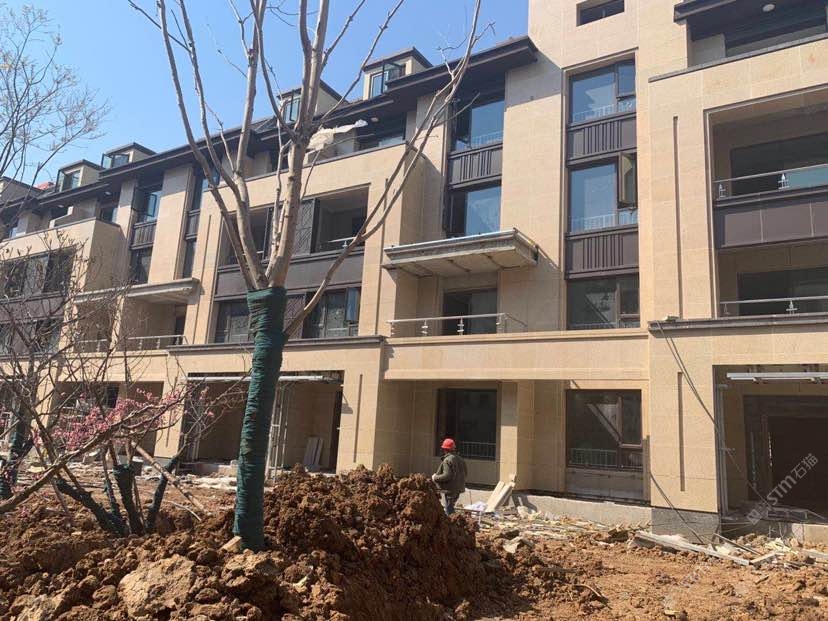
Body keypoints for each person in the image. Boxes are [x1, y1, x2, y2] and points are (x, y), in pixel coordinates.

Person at [431, 438, 467, 515]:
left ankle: (452, 521)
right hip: (459, 488)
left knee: (449, 509)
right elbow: (465, 473)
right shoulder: (460, 459)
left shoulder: (447, 460)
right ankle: (453, 520)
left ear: (445, 449)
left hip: (450, 489)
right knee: (450, 507)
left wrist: (435, 477)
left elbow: (447, 475)